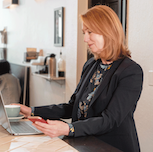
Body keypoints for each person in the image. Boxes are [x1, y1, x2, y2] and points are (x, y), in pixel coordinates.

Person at [16, 5, 143, 152]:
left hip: (111, 146)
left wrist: (69, 128)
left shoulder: (130, 71)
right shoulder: (90, 65)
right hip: (84, 144)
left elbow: (110, 120)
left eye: (90, 32)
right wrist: (31, 110)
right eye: (84, 32)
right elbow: (72, 107)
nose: (85, 39)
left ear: (108, 32)